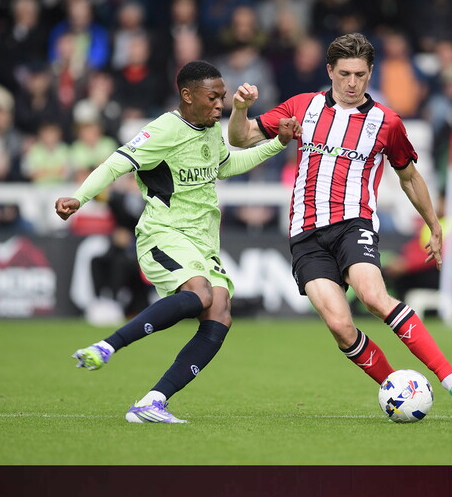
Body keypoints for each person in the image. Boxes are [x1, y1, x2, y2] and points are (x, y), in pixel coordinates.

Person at [227, 32, 452, 418]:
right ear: (330, 70)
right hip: (306, 233)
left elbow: (409, 177)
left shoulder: (387, 122)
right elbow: (240, 138)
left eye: (360, 75)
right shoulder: (303, 106)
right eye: (345, 74)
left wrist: (434, 225)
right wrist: (239, 109)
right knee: (340, 326)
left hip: (354, 223)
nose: (352, 83)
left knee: (374, 297)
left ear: (370, 73)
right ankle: (397, 389)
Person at [55, 60, 300, 423]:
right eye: (212, 97)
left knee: (220, 312)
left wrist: (277, 143)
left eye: (222, 97)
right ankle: (108, 346)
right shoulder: (163, 130)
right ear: (187, 95)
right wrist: (79, 198)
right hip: (165, 233)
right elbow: (115, 164)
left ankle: (152, 402)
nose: (219, 105)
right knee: (201, 293)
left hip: (203, 241)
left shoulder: (211, 130)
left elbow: (225, 167)